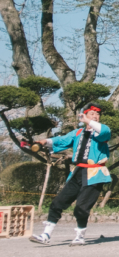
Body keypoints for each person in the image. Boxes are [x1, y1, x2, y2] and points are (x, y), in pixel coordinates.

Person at [30, 103, 111, 246]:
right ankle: (46, 234)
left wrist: (88, 121)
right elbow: (61, 140)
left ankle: (80, 236)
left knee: (81, 207)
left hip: (95, 173)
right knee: (57, 203)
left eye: (97, 114)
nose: (96, 116)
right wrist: (44, 141)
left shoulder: (102, 131)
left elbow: (102, 131)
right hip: (78, 171)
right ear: (85, 114)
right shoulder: (78, 133)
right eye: (92, 113)